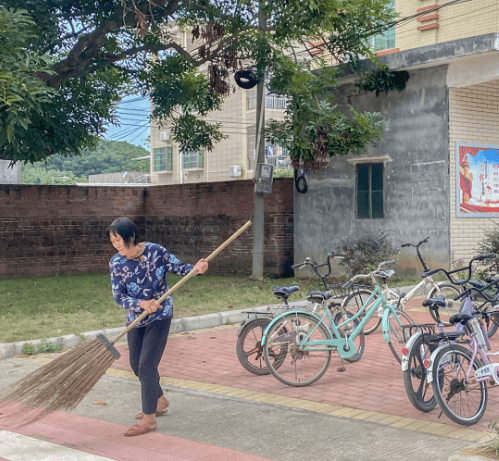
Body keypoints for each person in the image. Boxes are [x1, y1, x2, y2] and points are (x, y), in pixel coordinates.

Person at [108, 217, 208, 437]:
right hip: (136, 318)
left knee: (146, 366)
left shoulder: (155, 252)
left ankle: (149, 420)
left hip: (160, 316)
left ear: (130, 237)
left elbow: (179, 267)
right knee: (136, 365)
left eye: (118, 240)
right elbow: (119, 296)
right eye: (112, 240)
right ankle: (160, 400)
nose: (115, 244)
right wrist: (141, 304)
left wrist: (196, 269)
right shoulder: (116, 263)